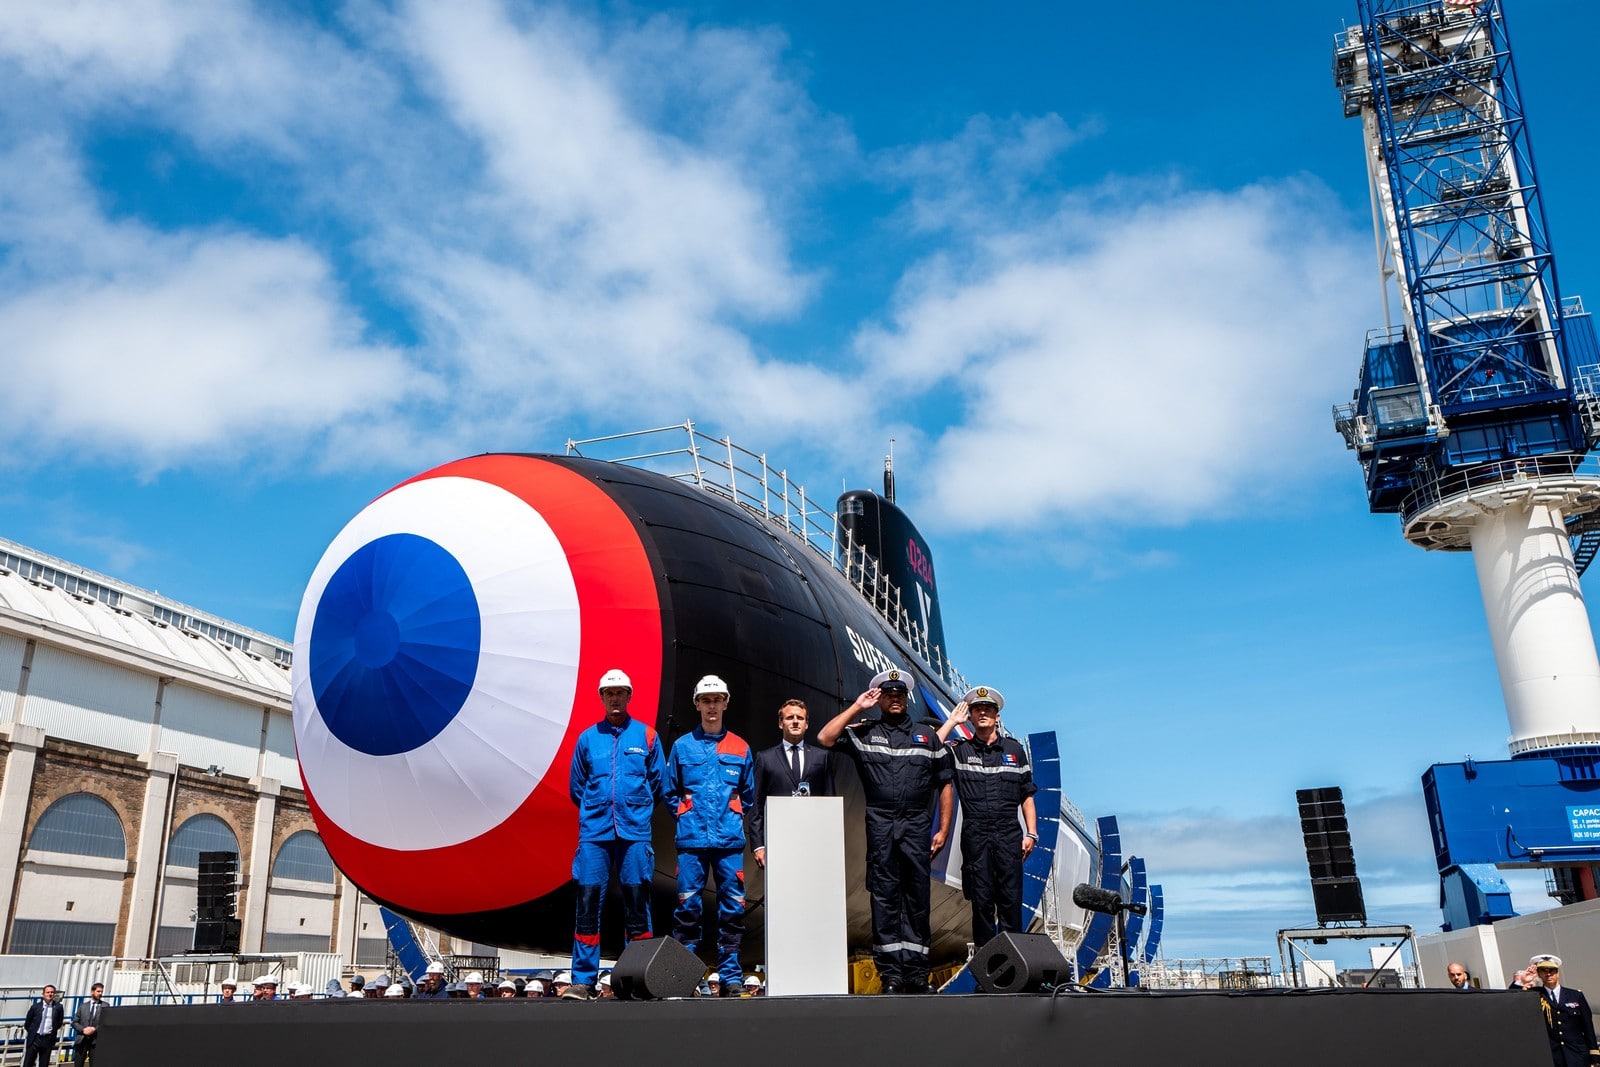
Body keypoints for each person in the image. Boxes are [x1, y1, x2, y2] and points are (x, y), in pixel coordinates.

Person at [818, 667, 954, 995]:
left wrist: (944, 828)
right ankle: (891, 974)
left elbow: (945, 782)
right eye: (888, 695)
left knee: (917, 898)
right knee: (885, 898)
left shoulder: (927, 737)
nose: (895, 699)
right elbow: (825, 738)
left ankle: (917, 973)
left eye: (899, 694)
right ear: (880, 699)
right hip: (881, 826)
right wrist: (856, 707)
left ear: (906, 699)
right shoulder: (864, 732)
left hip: (916, 825)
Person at [565, 668, 668, 1001]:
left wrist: (632, 807)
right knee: (586, 903)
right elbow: (576, 787)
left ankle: (636, 977)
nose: (615, 698)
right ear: (601, 697)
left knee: (637, 904)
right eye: (609, 693)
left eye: (621, 692)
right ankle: (582, 981)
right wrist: (599, 808)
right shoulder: (587, 739)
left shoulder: (647, 737)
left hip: (634, 831)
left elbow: (658, 783)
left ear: (629, 696)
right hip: (595, 834)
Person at [666, 675, 756, 996]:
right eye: (706, 700)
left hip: (729, 845)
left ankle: (730, 976)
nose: (712, 706)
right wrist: (684, 813)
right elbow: (669, 789)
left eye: (717, 700)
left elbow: (748, 795)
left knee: (731, 909)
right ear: (697, 705)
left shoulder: (740, 748)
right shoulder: (681, 747)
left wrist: (732, 817)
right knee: (687, 909)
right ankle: (685, 976)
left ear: (726, 703)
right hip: (691, 843)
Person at [937, 687, 1038, 951]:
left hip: (1008, 833)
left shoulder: (1015, 751)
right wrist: (951, 722)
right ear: (969, 716)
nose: (982, 713)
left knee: (1010, 900)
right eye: (977, 710)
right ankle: (987, 966)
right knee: (981, 901)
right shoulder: (959, 750)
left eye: (988, 709)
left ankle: (1014, 965)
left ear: (997, 716)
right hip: (976, 833)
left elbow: (1027, 795)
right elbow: (929, 751)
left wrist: (1032, 832)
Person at [749, 698, 835, 869]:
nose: (795, 722)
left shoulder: (822, 757)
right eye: (789, 718)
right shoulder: (765, 758)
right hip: (777, 840)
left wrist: (831, 843)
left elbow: (830, 802)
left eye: (800, 718)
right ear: (781, 723)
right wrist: (758, 845)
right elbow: (756, 805)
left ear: (807, 724)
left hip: (814, 840)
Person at [1530, 954, 1599, 1067]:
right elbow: (1515, 1000)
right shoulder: (1534, 995)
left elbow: (1588, 1027)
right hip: (1553, 1057)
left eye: (1552, 970)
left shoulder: (1575, 995)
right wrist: (1520, 981)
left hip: (1577, 1055)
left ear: (1558, 972)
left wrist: (1594, 1056)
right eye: (1543, 970)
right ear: (1539, 974)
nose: (1548, 974)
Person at [22, 984, 64, 1067]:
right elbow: (28, 1023)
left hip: (48, 1039)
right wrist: (32, 1032)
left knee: (44, 1063)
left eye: (52, 992)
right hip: (35, 1039)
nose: (50, 994)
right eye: (48, 992)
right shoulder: (35, 1007)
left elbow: (58, 1023)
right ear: (43, 994)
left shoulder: (58, 1007)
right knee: (28, 1063)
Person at [70, 983, 103, 1066]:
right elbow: (74, 1022)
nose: (100, 993)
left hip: (96, 1041)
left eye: (101, 992)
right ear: (92, 992)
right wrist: (83, 1030)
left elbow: (105, 1023)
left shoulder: (105, 1006)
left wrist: (94, 1029)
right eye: (98, 991)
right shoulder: (83, 1006)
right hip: (82, 1040)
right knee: (78, 1063)